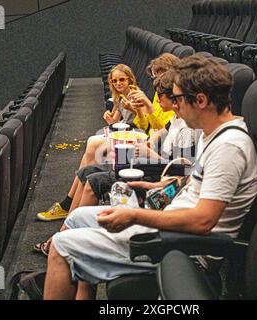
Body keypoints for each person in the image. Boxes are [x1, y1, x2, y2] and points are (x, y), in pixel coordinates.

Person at [43, 55, 257, 300]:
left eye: (177, 99)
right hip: (173, 228)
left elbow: (203, 221)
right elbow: (195, 182)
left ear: (200, 100)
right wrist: (159, 184)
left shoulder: (229, 147)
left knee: (62, 247)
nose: (173, 106)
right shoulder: (211, 135)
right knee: (77, 218)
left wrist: (134, 215)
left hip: (183, 248)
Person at [33, 68, 197, 256]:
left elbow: (181, 169)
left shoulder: (189, 127)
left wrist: (149, 152)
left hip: (156, 171)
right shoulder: (177, 119)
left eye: (163, 97)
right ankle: (64, 228)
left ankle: (62, 240)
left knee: (94, 181)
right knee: (87, 171)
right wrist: (151, 142)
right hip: (152, 162)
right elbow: (162, 131)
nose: (158, 101)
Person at [36, 55, 181, 222]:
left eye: (159, 76)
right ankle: (69, 207)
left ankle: (69, 208)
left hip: (149, 153)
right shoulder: (161, 98)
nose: (155, 81)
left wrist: (144, 109)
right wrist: (140, 118)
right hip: (146, 143)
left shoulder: (180, 116)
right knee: (90, 155)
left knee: (93, 151)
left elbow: (153, 130)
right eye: (154, 76)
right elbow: (152, 126)